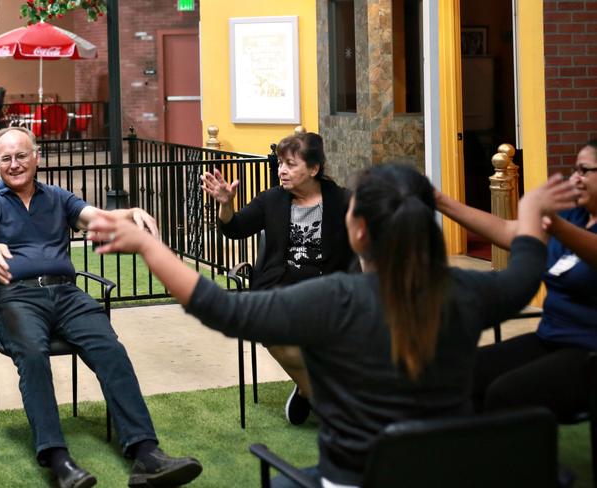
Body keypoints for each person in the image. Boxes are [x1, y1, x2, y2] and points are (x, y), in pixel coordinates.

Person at [89, 163, 577, 487]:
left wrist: (151, 248)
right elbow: (526, 267)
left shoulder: (333, 301)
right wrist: (527, 210)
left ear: (358, 229)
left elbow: (223, 309)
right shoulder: (470, 293)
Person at [0, 127, 202, 488]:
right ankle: (58, 460)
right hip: (15, 297)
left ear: (37, 156)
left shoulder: (58, 197)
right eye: (6, 158)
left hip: (66, 294)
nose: (14, 164)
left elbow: (96, 218)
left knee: (111, 350)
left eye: (22, 155)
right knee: (32, 355)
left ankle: (146, 454)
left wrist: (132, 212)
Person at [201, 132, 354, 425]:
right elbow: (235, 227)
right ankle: (317, 394)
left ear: (313, 169)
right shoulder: (271, 200)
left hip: (327, 290)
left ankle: (310, 387)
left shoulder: (342, 201)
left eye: (290, 164)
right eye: (280, 163)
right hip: (279, 288)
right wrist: (225, 204)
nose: (281, 170)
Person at [437, 140, 597, 419]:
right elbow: (509, 231)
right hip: (549, 338)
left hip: (588, 351)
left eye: (584, 171)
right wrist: (440, 201)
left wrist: (553, 225)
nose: (575, 179)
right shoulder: (574, 216)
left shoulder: (563, 224)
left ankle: (522, 461)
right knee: (458, 374)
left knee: (506, 393)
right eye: (574, 170)